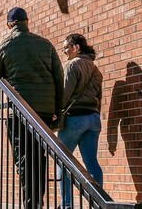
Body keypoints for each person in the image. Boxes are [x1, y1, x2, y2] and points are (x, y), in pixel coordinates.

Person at [0, 7, 63, 209]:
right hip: (44, 112)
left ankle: (31, 204)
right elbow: (58, 78)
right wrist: (58, 112)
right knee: (39, 156)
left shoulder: (4, 46)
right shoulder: (46, 45)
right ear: (26, 22)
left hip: (19, 110)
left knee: (24, 159)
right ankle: (37, 202)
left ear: (10, 25)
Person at [57, 33, 104, 209]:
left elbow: (64, 94)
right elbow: (99, 97)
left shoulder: (72, 65)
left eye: (66, 48)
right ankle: (98, 204)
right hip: (93, 118)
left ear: (76, 47)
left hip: (75, 118)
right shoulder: (95, 69)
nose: (64, 52)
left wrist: (56, 113)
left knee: (63, 160)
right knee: (91, 162)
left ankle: (66, 205)